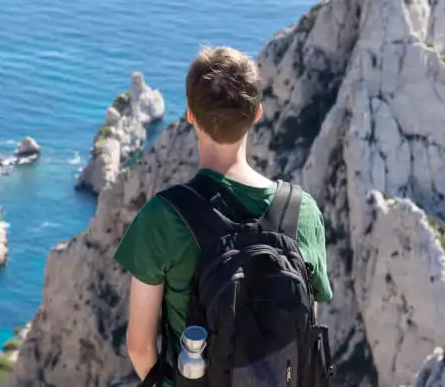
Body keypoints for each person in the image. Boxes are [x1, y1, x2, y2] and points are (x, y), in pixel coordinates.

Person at [113, 45, 333, 386]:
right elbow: (307, 329)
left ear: (190, 115)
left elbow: (140, 347)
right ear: (257, 114)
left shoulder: (164, 216)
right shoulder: (303, 212)